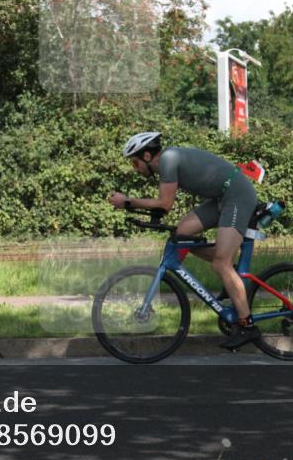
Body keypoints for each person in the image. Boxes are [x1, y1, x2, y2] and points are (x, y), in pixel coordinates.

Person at [108, 131, 259, 350]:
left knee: (220, 263)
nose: (135, 168)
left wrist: (128, 201)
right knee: (181, 235)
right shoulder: (166, 163)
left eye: (135, 163)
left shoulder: (168, 159)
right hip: (221, 198)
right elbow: (162, 207)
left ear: (148, 156)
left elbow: (165, 203)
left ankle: (247, 326)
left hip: (237, 196)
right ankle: (232, 277)